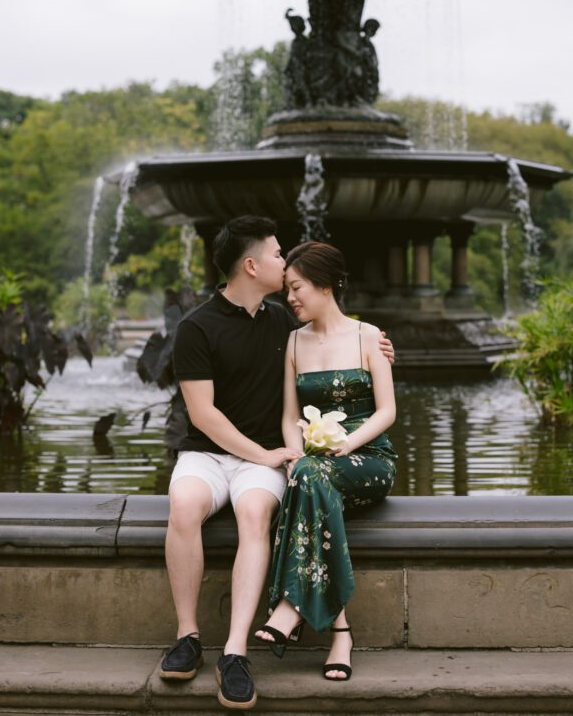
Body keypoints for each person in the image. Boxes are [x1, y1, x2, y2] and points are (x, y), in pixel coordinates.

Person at [160, 215, 393, 710]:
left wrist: (384, 348)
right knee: (183, 506)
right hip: (207, 453)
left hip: (263, 463)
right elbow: (203, 414)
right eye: (275, 254)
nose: (283, 263)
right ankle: (186, 637)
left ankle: (237, 651)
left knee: (255, 513)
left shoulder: (284, 321)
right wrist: (269, 453)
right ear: (250, 265)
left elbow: (339, 342)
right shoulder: (195, 328)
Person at [255, 241, 397, 682]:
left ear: (326, 285)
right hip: (316, 463)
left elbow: (387, 411)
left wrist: (349, 444)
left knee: (309, 478)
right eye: (287, 291)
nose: (291, 298)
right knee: (307, 475)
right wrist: (295, 451)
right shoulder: (294, 341)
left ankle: (287, 609)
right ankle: (340, 633)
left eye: (297, 288)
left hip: (368, 458)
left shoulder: (369, 336)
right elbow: (288, 416)